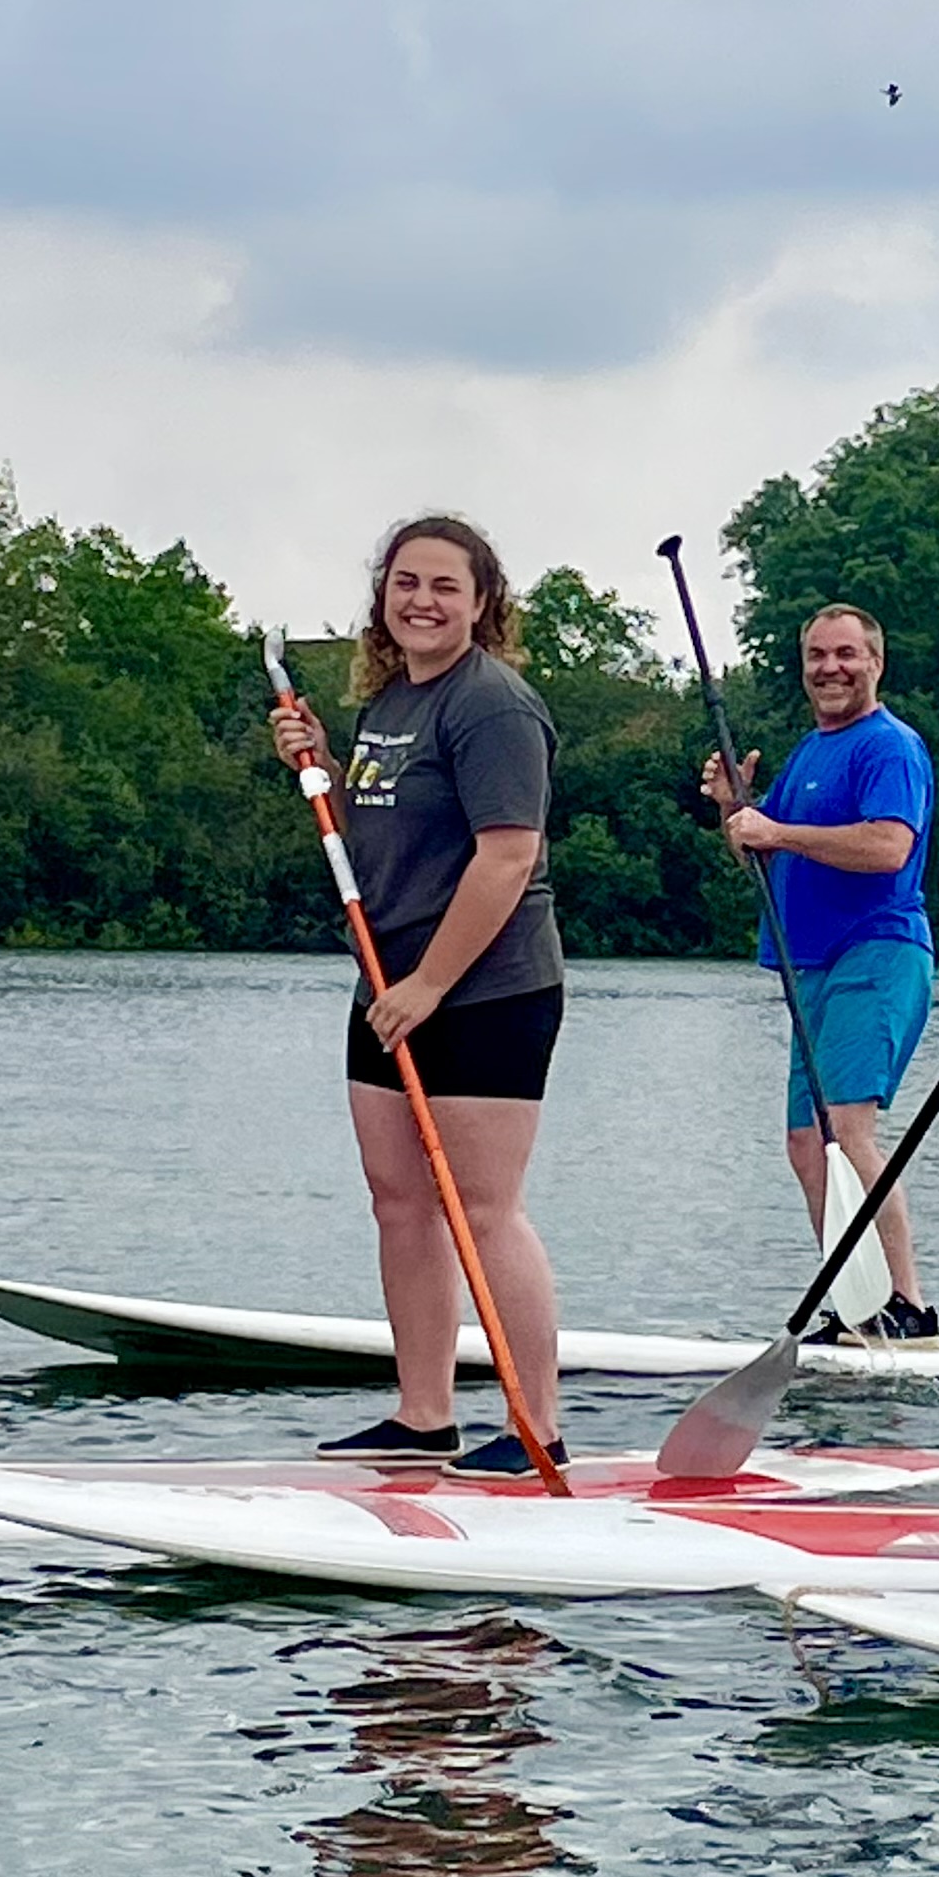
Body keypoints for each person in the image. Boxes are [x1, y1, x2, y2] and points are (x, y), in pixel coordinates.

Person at [268, 514, 570, 1478]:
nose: (422, 601)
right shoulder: (389, 706)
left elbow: (507, 854)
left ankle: (539, 1426)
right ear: (382, 599)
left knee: (485, 1208)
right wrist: (315, 763)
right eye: (405, 583)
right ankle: (423, 1414)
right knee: (399, 1201)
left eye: (444, 586)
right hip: (387, 983)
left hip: (485, 990)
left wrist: (432, 984)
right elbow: (379, 837)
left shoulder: (494, 708)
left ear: (481, 604)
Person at [702, 602, 939, 1346]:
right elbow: (758, 850)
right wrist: (733, 814)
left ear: (875, 663)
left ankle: (906, 1305)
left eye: (846, 654)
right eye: (816, 655)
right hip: (808, 968)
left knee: (849, 1130)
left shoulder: (888, 748)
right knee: (807, 1143)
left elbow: (886, 848)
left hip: (875, 952)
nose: (830, 668)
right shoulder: (811, 750)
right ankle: (852, 1297)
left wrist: (775, 829)